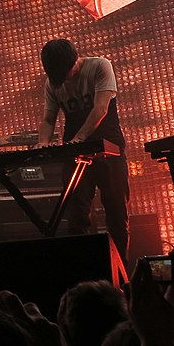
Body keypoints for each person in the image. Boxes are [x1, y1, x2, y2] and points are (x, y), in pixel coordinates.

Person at [38, 38, 130, 265]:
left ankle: (121, 273)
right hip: (75, 154)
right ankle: (85, 270)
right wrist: (43, 142)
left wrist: (79, 139)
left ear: (74, 60)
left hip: (109, 150)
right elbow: (49, 118)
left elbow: (101, 108)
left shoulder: (99, 66)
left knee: (117, 215)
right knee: (77, 217)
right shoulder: (52, 83)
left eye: (65, 72)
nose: (63, 79)